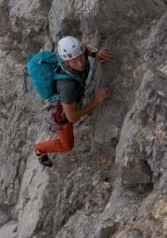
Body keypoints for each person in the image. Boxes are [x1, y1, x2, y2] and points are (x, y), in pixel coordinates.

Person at [35, 36, 112, 167]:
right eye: (75, 62)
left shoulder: (75, 56)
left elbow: (82, 50)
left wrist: (95, 53)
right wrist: (96, 101)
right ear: (66, 63)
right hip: (62, 110)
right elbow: (72, 117)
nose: (80, 64)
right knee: (67, 145)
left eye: (81, 58)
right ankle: (39, 149)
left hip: (70, 98)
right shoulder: (67, 85)